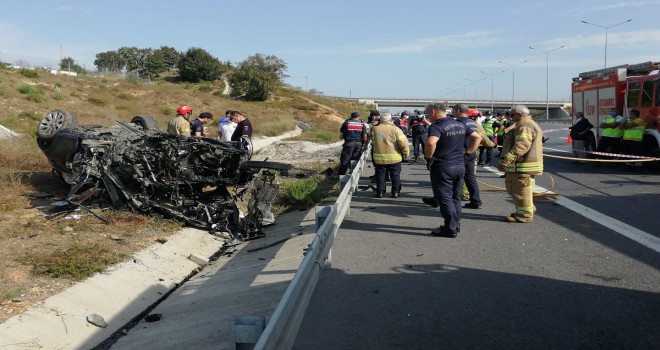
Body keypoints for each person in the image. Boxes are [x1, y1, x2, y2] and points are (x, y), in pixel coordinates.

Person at [424, 102, 481, 238]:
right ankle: (455, 224)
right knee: (456, 197)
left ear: (433, 111)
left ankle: (450, 228)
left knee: (445, 198)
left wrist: (428, 158)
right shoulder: (460, 124)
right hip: (459, 165)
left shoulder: (437, 126)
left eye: (427, 113)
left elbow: (431, 142)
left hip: (443, 166)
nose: (428, 116)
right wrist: (468, 153)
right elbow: (477, 137)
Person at [497, 105, 544, 223]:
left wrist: (506, 160)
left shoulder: (525, 126)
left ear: (521, 115)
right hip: (519, 166)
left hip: (522, 166)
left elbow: (521, 146)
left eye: (512, 115)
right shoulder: (523, 124)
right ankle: (526, 210)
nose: (510, 117)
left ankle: (524, 215)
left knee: (521, 191)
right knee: (515, 189)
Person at [372, 113, 409, 198]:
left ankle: (380, 192)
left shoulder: (375, 129)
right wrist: (405, 152)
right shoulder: (396, 129)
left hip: (379, 157)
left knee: (380, 175)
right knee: (395, 175)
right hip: (394, 157)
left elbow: (372, 141)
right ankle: (395, 192)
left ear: (380, 120)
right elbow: (403, 142)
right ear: (390, 120)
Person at [456, 104, 484, 209]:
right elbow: (481, 137)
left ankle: (445, 200)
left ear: (458, 111)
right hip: (472, 153)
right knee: (470, 178)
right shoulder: (473, 123)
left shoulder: (459, 123)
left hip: (462, 153)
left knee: (453, 177)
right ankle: (475, 201)